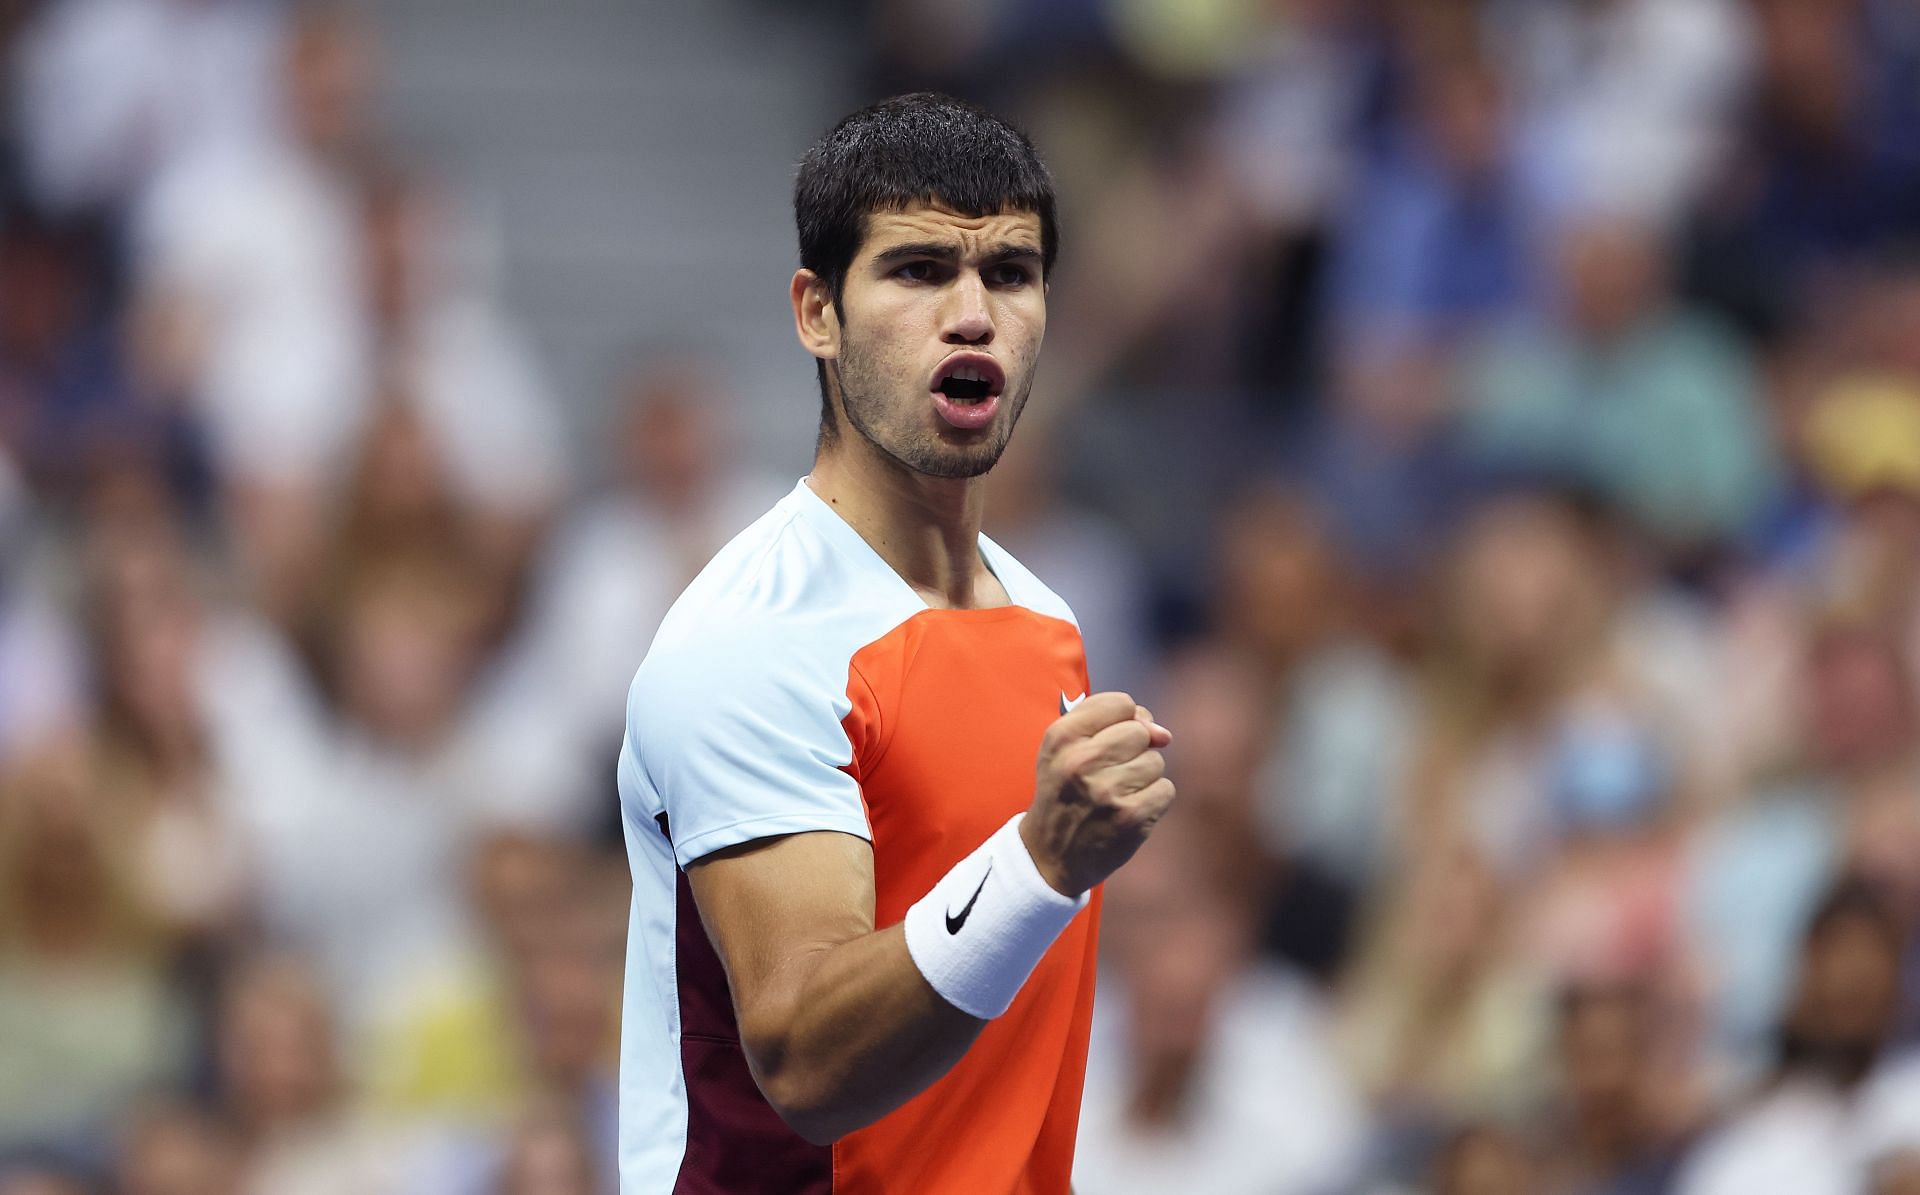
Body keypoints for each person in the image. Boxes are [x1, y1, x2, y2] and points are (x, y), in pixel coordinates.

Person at [614, 93, 1177, 1193]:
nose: (973, 315)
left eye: (1009, 274)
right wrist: (1040, 861)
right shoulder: (748, 641)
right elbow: (806, 1058)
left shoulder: (1047, 618)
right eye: (918, 271)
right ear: (816, 313)